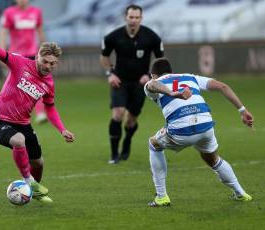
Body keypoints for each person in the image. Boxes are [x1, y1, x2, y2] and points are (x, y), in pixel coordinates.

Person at [0, 17, 75, 203]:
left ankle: (33, 191)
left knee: (38, 162)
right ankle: (29, 182)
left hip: (24, 124)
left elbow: (50, 109)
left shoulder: (49, 83)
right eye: (45, 62)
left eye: (53, 64)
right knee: (18, 141)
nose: (48, 67)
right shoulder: (19, 63)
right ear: (37, 56)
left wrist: (62, 129)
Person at [144, 57, 254, 207]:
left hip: (181, 130)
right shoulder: (190, 77)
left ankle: (161, 197)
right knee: (213, 159)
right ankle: (241, 193)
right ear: (172, 72)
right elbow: (222, 86)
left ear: (153, 75)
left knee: (154, 144)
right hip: (206, 126)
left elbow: (152, 85)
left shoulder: (155, 82)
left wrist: (173, 93)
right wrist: (242, 110)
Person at [100, 4, 164, 164]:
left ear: (141, 18)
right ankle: (114, 154)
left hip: (140, 84)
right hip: (119, 81)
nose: (134, 20)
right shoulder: (113, 36)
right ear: (125, 17)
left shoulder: (151, 37)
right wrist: (110, 73)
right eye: (131, 17)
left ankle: (127, 141)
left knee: (131, 120)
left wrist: (150, 76)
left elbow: (160, 60)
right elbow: (104, 56)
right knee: (118, 114)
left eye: (137, 17)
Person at [0, 0, 47, 124]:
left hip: (32, 54)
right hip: (16, 56)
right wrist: (2, 54)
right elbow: (3, 34)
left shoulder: (36, 12)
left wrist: (45, 52)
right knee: (15, 86)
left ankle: (40, 113)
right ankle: (8, 113)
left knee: (36, 84)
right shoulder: (9, 13)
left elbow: (40, 33)